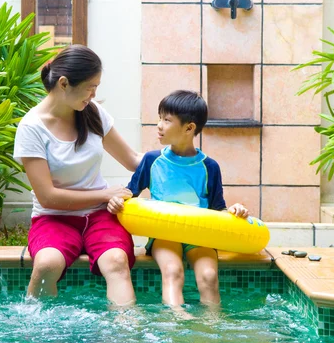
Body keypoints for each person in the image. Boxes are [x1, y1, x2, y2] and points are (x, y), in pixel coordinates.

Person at [13, 45, 142, 306]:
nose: (94, 94)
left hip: (99, 217)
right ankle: (38, 336)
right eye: (90, 86)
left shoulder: (91, 112)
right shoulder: (31, 128)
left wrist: (177, 158)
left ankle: (127, 335)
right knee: (47, 264)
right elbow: (48, 197)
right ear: (63, 83)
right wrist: (106, 194)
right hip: (53, 219)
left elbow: (133, 160)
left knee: (117, 262)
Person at [107, 90, 249, 308]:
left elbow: (217, 208)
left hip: (199, 234)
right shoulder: (152, 160)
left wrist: (234, 211)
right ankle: (176, 323)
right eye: (159, 118)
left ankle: (213, 327)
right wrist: (117, 202)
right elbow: (129, 194)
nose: (159, 125)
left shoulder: (209, 166)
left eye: (166, 120)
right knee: (173, 271)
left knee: (209, 276)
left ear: (189, 128)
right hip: (165, 234)